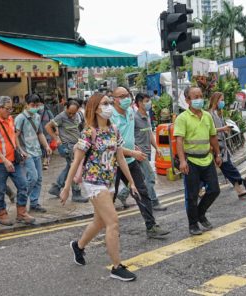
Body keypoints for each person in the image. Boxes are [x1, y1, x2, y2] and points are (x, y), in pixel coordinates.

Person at [59, 92, 137, 281]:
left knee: (100, 222)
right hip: (93, 182)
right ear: (95, 108)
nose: (109, 106)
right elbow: (76, 162)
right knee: (113, 222)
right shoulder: (88, 132)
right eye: (104, 103)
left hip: (108, 181)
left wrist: (131, 181)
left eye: (110, 102)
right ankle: (116, 267)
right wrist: (67, 187)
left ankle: (78, 246)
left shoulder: (114, 130)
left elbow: (120, 158)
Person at [111, 87, 170, 239]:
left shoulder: (131, 112)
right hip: (114, 164)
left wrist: (133, 147)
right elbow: (112, 146)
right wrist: (132, 152)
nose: (125, 98)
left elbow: (129, 136)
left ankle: (151, 226)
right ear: (114, 99)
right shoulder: (111, 117)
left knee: (142, 192)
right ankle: (108, 229)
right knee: (109, 198)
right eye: (121, 96)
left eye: (127, 95)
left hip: (130, 160)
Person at [174, 86, 221, 236]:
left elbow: (213, 136)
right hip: (191, 161)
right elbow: (179, 141)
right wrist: (182, 161)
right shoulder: (182, 118)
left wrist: (218, 154)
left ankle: (200, 214)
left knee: (214, 189)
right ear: (187, 100)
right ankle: (193, 224)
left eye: (201, 96)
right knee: (192, 195)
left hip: (207, 159)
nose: (199, 99)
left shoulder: (207, 116)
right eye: (195, 97)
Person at [0, 96, 35, 226]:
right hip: (0, 164)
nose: (10, 111)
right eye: (8, 109)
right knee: (0, 190)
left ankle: (21, 212)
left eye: (11, 108)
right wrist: (4, 161)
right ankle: (2, 214)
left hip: (14, 160)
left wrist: (20, 150)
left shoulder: (10, 119)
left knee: (23, 184)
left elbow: (13, 137)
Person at [115, 93, 167, 211]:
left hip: (145, 152)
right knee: (150, 177)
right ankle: (153, 201)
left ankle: (122, 194)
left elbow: (149, 133)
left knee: (140, 179)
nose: (149, 103)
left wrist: (157, 148)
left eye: (149, 100)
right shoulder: (134, 117)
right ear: (139, 103)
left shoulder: (147, 116)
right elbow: (128, 135)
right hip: (138, 153)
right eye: (146, 101)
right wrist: (134, 150)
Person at [208, 92, 246, 198]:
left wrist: (226, 128)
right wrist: (223, 129)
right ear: (215, 100)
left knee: (228, 168)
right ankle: (241, 187)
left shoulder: (219, 113)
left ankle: (240, 190)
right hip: (215, 145)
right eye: (221, 100)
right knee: (226, 168)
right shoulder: (209, 114)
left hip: (222, 145)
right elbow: (208, 130)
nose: (222, 102)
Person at [15, 94, 52, 213]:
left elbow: (40, 133)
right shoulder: (20, 118)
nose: (35, 107)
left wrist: (46, 146)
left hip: (37, 151)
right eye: (32, 105)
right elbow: (15, 136)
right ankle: (22, 199)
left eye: (37, 105)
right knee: (33, 177)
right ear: (26, 105)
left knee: (39, 178)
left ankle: (34, 203)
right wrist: (20, 150)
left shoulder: (37, 116)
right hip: (27, 153)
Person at [46, 99, 88, 203]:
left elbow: (83, 126)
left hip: (78, 145)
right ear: (66, 108)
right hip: (67, 147)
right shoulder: (61, 116)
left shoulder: (79, 115)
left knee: (70, 167)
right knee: (75, 168)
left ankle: (56, 187)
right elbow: (48, 127)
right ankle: (76, 193)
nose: (71, 115)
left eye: (74, 113)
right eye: (69, 113)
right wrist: (57, 139)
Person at [38, 99, 55, 170]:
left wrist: (55, 131)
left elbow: (53, 120)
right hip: (39, 133)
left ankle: (46, 161)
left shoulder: (48, 112)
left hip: (47, 133)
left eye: (40, 104)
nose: (39, 106)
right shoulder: (36, 113)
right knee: (42, 148)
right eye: (38, 105)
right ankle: (45, 159)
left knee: (46, 147)